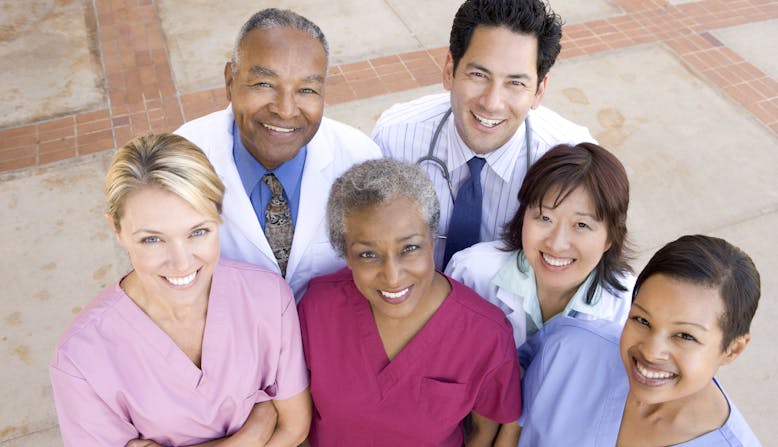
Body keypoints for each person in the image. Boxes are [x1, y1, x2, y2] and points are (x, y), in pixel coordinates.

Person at [49, 134, 311, 447]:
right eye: (152, 239)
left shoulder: (268, 298)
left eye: (197, 232)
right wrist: (250, 436)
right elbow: (275, 424)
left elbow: (294, 428)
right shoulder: (80, 359)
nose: (181, 262)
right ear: (116, 229)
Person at [297, 159, 521, 446]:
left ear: (433, 239)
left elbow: (484, 432)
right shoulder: (318, 310)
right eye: (368, 254)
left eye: (410, 248)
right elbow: (297, 421)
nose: (392, 276)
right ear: (345, 254)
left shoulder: (486, 334)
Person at [176, 8, 381, 300]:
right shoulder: (182, 159)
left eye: (307, 90)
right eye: (264, 84)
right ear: (230, 81)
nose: (285, 110)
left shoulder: (360, 158)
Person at [373, 0, 595, 268]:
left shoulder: (573, 161)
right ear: (449, 71)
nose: (492, 103)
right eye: (479, 74)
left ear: (539, 91)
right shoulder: (395, 137)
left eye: (516, 83)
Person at [518, 235, 762, 446]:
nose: (652, 352)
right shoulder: (568, 349)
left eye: (685, 336)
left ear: (733, 349)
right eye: (642, 320)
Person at [446, 143, 632, 350]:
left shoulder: (629, 306)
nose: (556, 244)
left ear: (611, 237)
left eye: (581, 225)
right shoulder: (470, 272)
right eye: (545, 218)